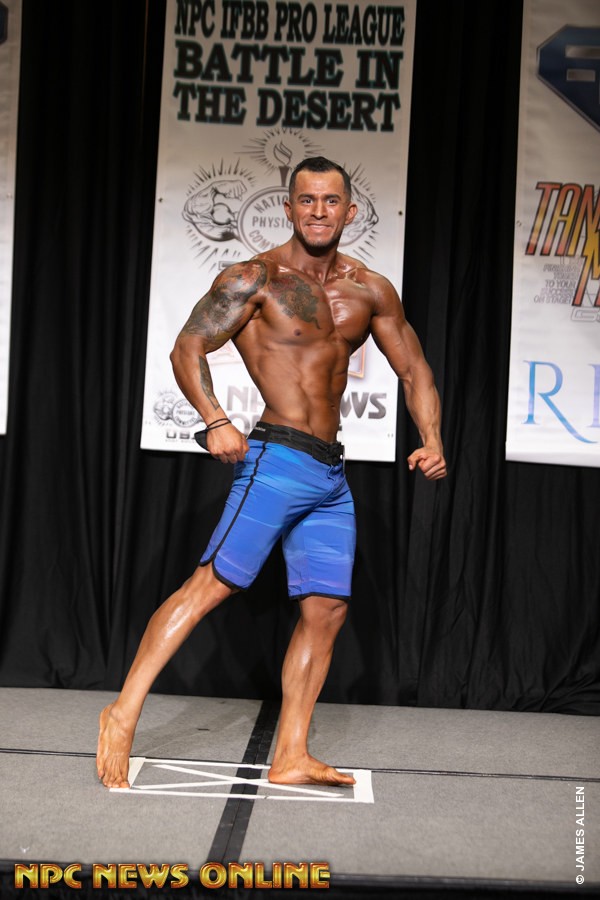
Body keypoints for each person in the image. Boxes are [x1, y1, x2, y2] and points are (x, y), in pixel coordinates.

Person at [97, 157, 447, 789]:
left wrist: (431, 437)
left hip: (330, 475)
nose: (318, 211)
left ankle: (290, 754)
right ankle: (121, 714)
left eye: (330, 201)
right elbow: (187, 346)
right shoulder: (256, 278)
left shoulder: (370, 289)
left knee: (327, 608)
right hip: (276, 460)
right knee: (210, 586)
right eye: (306, 200)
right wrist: (214, 420)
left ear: (350, 211)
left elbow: (414, 368)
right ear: (288, 208)